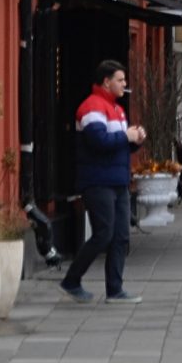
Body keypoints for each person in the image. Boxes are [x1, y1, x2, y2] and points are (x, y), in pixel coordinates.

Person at [60, 60, 144, 304]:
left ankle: (115, 290)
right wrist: (124, 135)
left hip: (117, 181)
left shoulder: (117, 109)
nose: (124, 84)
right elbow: (98, 142)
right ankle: (71, 280)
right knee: (104, 233)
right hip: (97, 181)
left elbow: (118, 145)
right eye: (120, 80)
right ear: (106, 82)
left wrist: (136, 140)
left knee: (120, 236)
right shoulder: (91, 108)